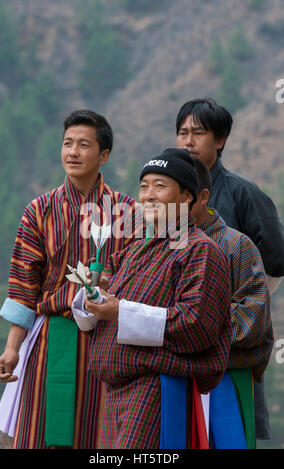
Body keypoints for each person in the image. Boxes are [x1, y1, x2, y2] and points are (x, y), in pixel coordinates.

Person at [71, 148, 233, 449]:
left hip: (156, 388)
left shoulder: (201, 250)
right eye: (144, 186)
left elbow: (195, 326)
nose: (148, 195)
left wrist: (120, 311)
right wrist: (91, 299)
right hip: (116, 391)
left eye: (160, 186)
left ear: (186, 197)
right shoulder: (134, 251)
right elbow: (97, 310)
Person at [0, 109, 137, 449]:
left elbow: (136, 278)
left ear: (103, 155)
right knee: (44, 436)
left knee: (103, 437)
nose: (72, 152)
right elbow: (23, 285)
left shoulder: (126, 211)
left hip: (108, 340)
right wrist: (12, 349)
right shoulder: (39, 211)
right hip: (50, 339)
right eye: (67, 143)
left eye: (83, 145)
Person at [176, 97, 284, 439]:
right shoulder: (164, 196)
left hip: (229, 347)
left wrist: (244, 308)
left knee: (229, 432)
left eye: (198, 133)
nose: (188, 141)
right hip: (179, 343)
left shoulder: (244, 193)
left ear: (219, 140)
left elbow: (278, 261)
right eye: (182, 133)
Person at [191, 158, 274, 448]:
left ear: (201, 197)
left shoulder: (237, 246)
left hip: (226, 378)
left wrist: (191, 327)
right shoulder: (157, 246)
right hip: (172, 380)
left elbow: (251, 322)